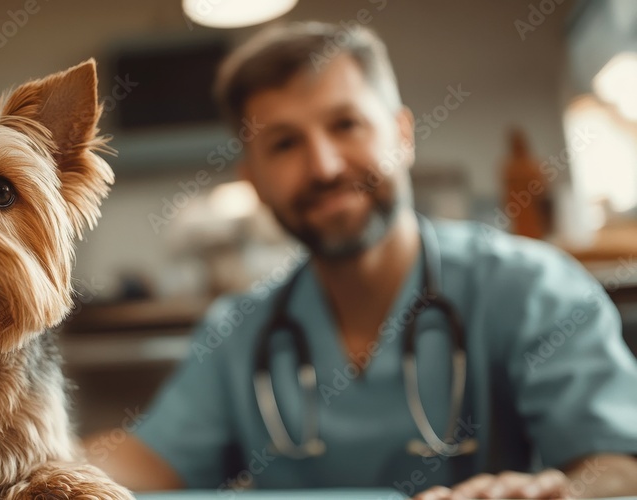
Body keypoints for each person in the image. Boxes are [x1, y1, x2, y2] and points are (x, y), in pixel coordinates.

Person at [86, 21, 637, 499]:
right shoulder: (237, 332)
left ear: (401, 135)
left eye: (345, 125)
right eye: (283, 144)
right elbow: (147, 463)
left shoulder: (531, 288)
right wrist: (29, 463)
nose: (323, 166)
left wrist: (555, 492)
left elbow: (618, 465)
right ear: (251, 178)